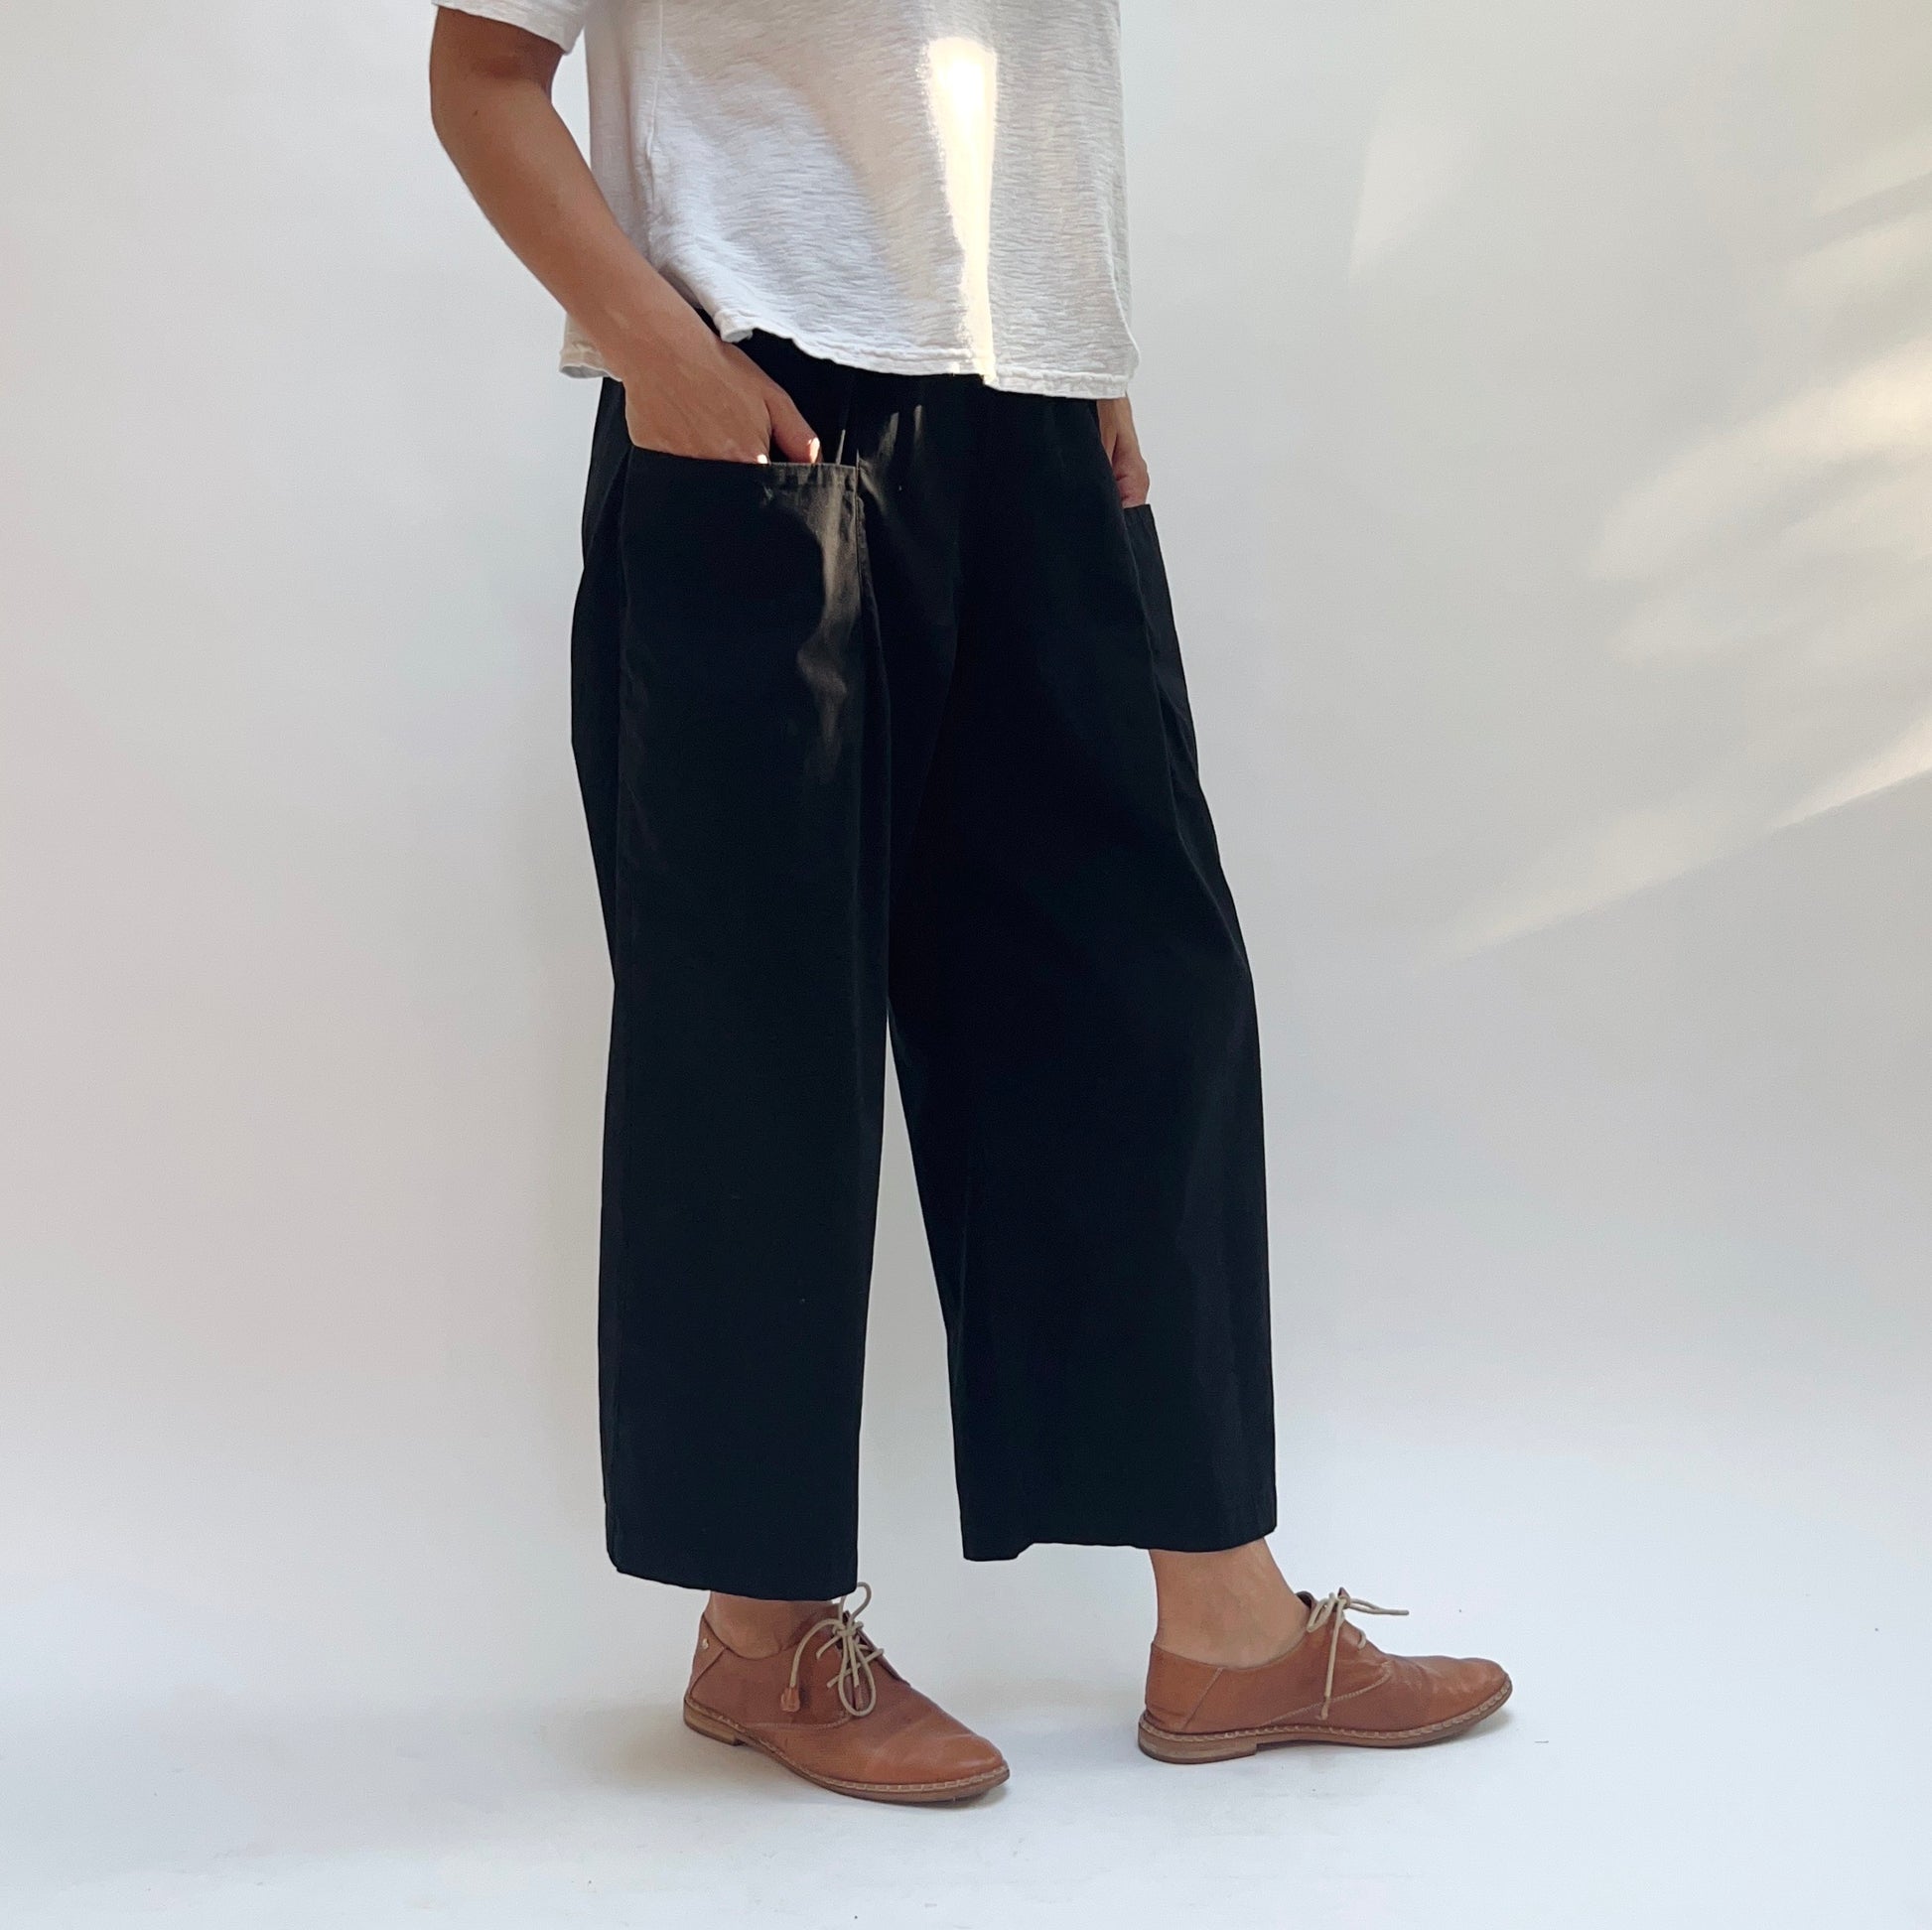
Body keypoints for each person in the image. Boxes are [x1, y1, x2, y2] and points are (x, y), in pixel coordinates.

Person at [428, 0, 1509, 1806]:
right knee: (759, 1030)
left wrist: (1082, 351)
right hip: (757, 406)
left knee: (1137, 1001)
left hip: (1036, 417)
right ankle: (761, 1633)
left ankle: (1227, 1628)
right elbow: (479, 74)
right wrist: (659, 357)